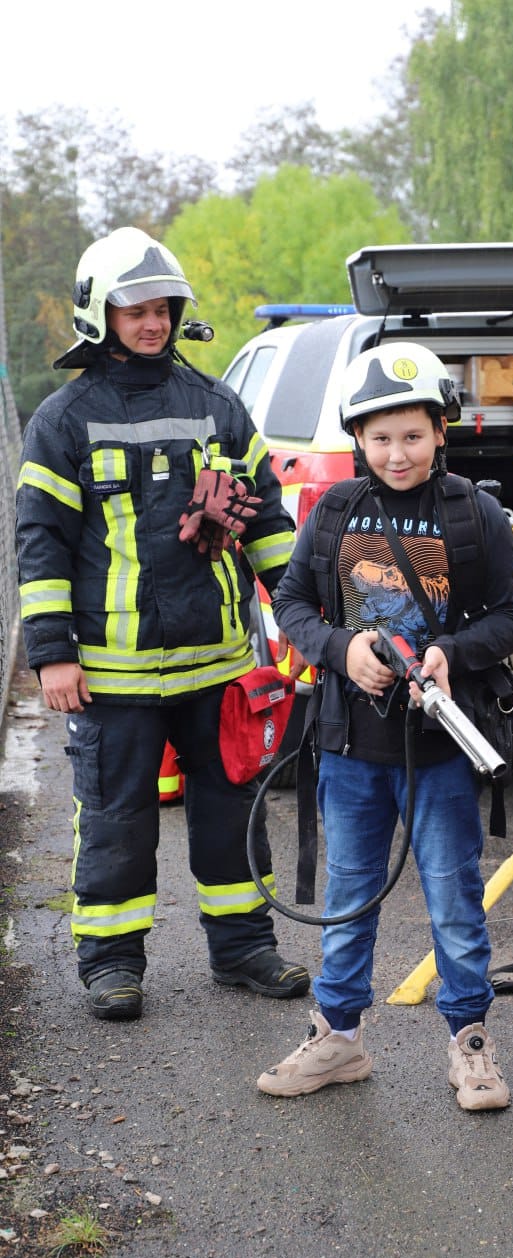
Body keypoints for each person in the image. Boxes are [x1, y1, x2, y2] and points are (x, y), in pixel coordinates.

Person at [15, 226, 310, 1021]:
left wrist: (306, 624)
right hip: (111, 673)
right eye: (135, 309)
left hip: (217, 665)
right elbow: (40, 540)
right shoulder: (63, 418)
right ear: (98, 315)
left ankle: (244, 949)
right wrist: (52, 655)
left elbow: (269, 526)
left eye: (164, 309)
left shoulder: (217, 405)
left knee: (231, 815)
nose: (153, 323)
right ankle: (112, 964)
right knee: (116, 824)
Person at [256, 341, 513, 1111]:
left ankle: (470, 1047)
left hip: (440, 750)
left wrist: (448, 653)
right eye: (379, 437)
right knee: (349, 895)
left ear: (439, 430)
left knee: (453, 898)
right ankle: (338, 1038)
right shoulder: (334, 511)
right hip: (349, 747)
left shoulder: (472, 513)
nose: (396, 452)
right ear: (357, 439)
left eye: (411, 434)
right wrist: (340, 649)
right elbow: (290, 605)